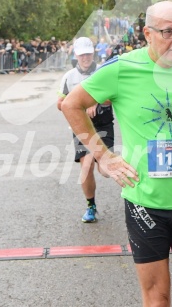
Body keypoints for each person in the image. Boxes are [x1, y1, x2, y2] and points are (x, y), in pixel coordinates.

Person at [61, 0, 172, 307]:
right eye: (168, 31)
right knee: (157, 300)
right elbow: (71, 104)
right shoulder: (122, 69)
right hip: (143, 206)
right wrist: (104, 156)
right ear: (147, 33)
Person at [57, 37, 114, 223]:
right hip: (81, 125)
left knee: (105, 170)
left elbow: (113, 97)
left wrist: (95, 101)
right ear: (76, 55)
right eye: (82, 54)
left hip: (103, 124)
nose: (86, 57)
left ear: (93, 53)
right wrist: (79, 106)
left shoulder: (104, 71)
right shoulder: (69, 77)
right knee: (86, 166)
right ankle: (91, 207)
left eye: (88, 53)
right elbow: (61, 103)